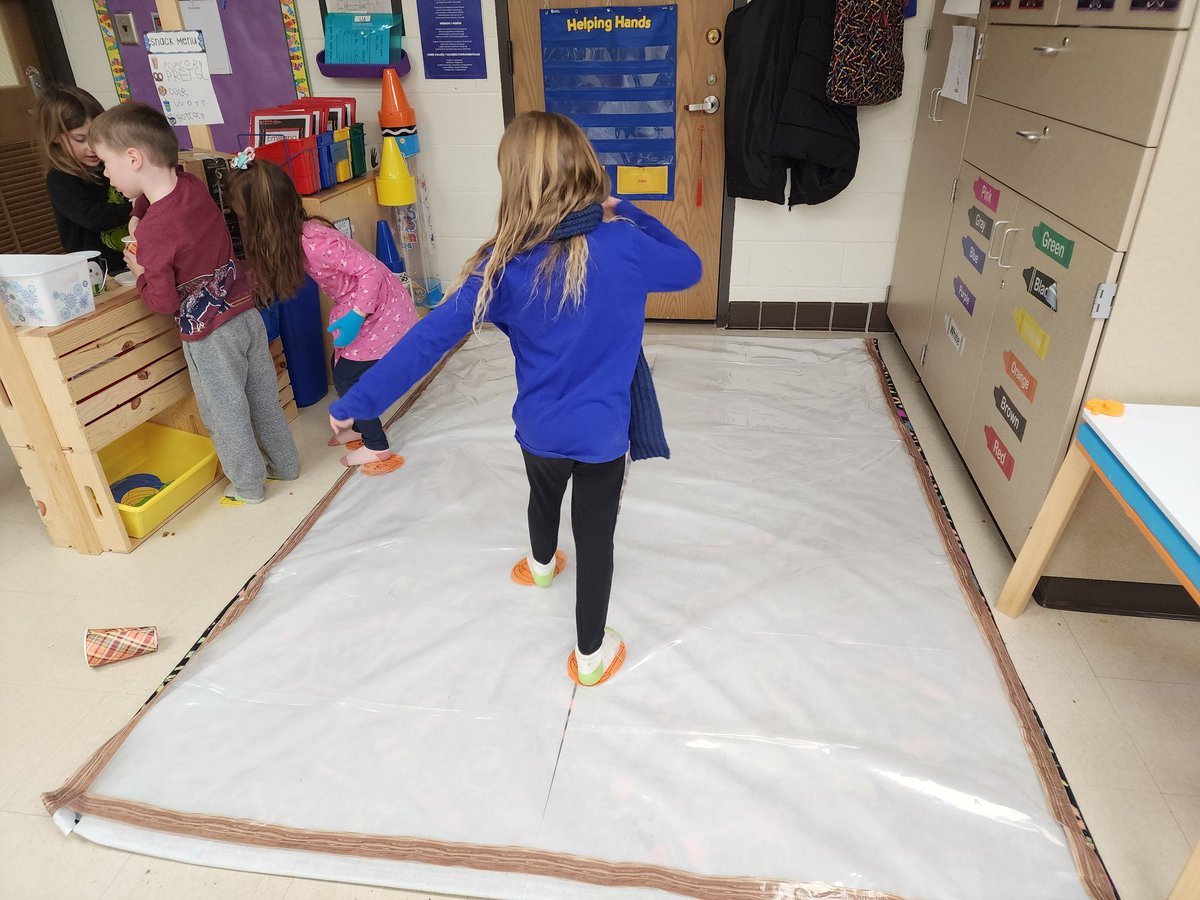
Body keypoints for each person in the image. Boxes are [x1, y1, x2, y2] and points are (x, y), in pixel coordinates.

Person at [328, 111, 701, 686]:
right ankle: (591, 656)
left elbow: (427, 340)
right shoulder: (624, 244)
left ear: (514, 184)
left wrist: (361, 398)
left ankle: (542, 566)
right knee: (596, 539)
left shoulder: (501, 269)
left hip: (540, 430)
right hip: (603, 435)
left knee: (542, 497)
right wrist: (626, 209)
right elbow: (690, 267)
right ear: (586, 171)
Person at [88, 102, 299, 506]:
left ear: (133, 158)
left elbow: (163, 301)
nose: (106, 174)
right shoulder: (190, 187)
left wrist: (140, 267)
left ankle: (248, 487)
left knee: (225, 414)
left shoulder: (154, 234)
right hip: (245, 313)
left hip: (210, 337)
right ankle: (285, 464)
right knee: (263, 398)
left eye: (106, 164)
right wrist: (138, 221)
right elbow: (154, 204)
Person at [225, 154, 417, 469]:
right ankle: (357, 427)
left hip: (380, 309)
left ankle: (376, 444)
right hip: (361, 306)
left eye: (241, 212)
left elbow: (374, 272)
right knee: (339, 362)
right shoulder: (295, 237)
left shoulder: (313, 240)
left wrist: (357, 314)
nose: (240, 219)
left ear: (261, 215)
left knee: (348, 378)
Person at [36, 85, 131, 273]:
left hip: (130, 261)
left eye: (97, 137)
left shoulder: (107, 165)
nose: (92, 147)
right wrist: (137, 208)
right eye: (81, 139)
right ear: (54, 137)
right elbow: (91, 217)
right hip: (97, 272)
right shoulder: (60, 179)